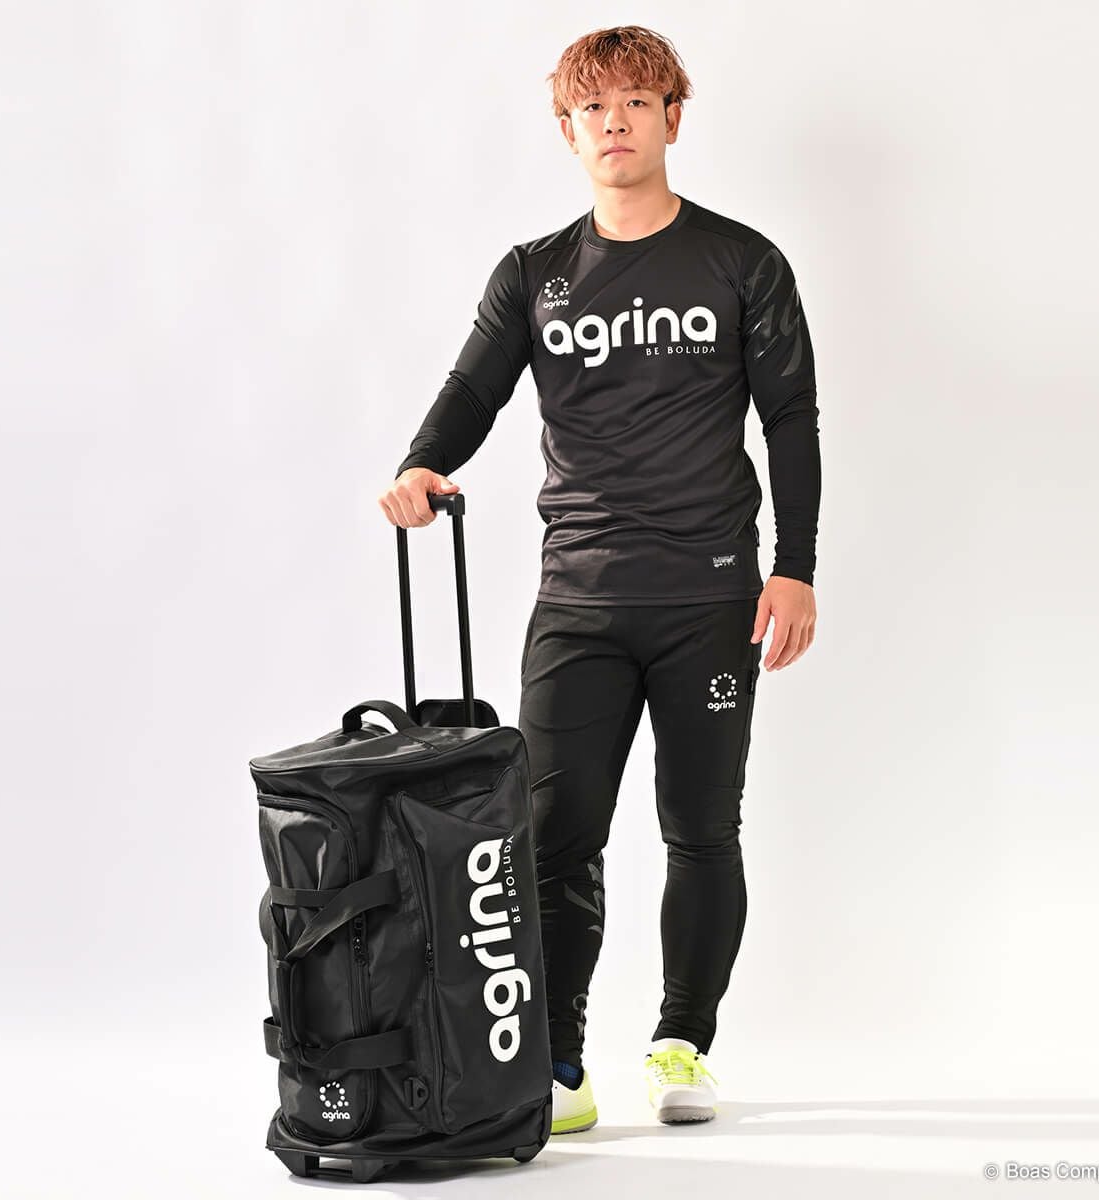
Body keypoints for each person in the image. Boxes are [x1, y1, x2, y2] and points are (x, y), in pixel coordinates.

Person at [377, 24, 820, 1131]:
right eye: (593, 108)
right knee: (554, 838)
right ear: (566, 131)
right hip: (578, 600)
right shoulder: (535, 274)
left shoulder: (743, 262)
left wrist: (795, 568)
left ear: (673, 117)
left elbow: (790, 419)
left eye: (635, 102)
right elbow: (472, 390)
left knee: (701, 828)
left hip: (710, 599)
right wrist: (422, 462)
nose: (614, 123)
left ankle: (682, 1045)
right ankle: (558, 1063)